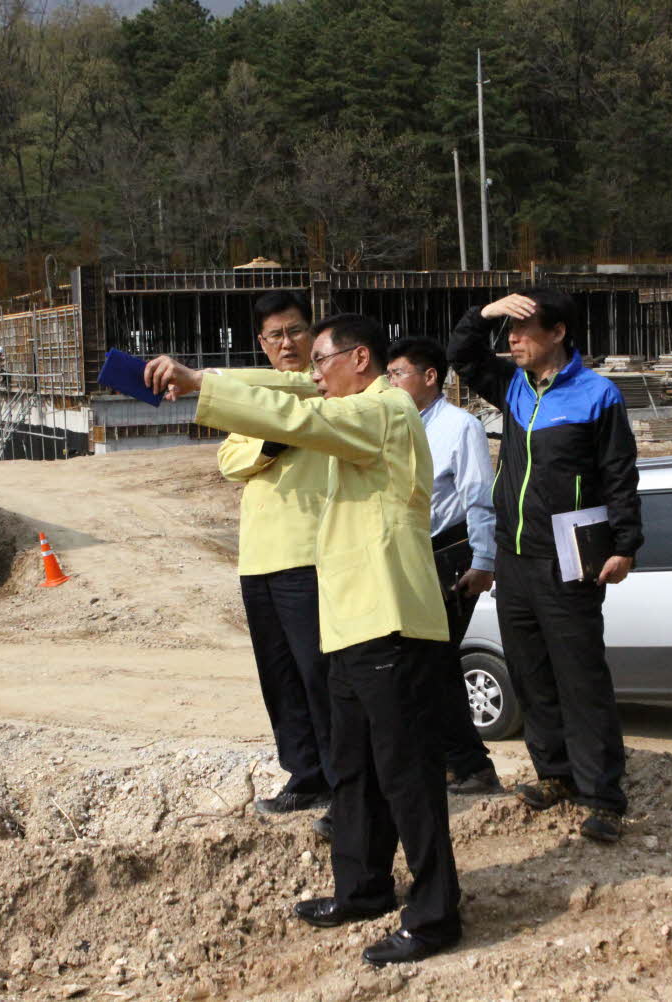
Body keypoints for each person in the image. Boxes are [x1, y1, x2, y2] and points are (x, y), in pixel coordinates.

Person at [146, 314, 461, 967]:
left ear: (361, 359)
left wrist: (201, 382)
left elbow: (298, 417)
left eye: (322, 361)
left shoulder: (386, 412)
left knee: (407, 776)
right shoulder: (350, 403)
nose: (313, 375)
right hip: (350, 618)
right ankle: (364, 887)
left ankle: (435, 915)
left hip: (392, 619)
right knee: (352, 768)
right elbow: (287, 390)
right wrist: (220, 381)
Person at [448, 288, 641, 844]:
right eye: (510, 331)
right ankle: (554, 773)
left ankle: (604, 794)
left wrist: (625, 545)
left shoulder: (598, 395)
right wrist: (485, 312)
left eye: (525, 330)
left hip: (571, 554)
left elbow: (619, 475)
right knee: (530, 671)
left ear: (557, 333)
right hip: (516, 555)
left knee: (580, 676)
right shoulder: (513, 387)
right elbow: (462, 355)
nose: (514, 340)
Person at [216, 291, 334, 817]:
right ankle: (305, 773)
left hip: (309, 554)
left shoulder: (328, 391)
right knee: (280, 674)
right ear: (261, 345)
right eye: (275, 335)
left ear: (313, 334)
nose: (287, 343)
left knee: (321, 674)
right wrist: (268, 445)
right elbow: (229, 459)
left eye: (295, 331)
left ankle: (343, 780)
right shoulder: (254, 400)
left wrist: (268, 441)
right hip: (258, 558)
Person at [385, 337, 501, 795]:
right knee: (428, 663)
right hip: (410, 555)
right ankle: (455, 761)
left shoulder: (460, 426)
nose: (390, 382)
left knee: (430, 663)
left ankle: (469, 765)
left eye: (399, 374)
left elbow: (478, 495)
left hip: (451, 553)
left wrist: (484, 558)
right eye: (388, 374)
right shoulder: (394, 423)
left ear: (430, 376)